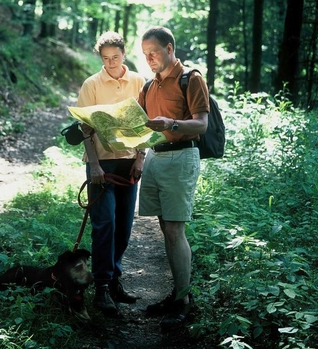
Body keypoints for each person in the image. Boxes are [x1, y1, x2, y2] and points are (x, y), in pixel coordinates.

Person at [137, 26, 209, 330]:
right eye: (144, 55)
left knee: (176, 229)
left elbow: (202, 124)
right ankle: (176, 294)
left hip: (181, 156)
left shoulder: (190, 78)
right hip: (155, 157)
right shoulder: (148, 85)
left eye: (153, 52)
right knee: (166, 227)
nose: (149, 59)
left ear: (169, 48)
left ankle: (183, 302)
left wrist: (172, 124)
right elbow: (138, 124)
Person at [76, 31, 145, 315]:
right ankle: (102, 288)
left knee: (124, 228)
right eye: (105, 59)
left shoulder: (139, 81)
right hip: (101, 164)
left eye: (115, 57)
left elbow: (146, 123)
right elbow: (85, 128)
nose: (111, 63)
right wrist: (94, 164)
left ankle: (115, 280)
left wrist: (141, 158)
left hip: (129, 163)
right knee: (104, 224)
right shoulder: (91, 84)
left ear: (124, 55)